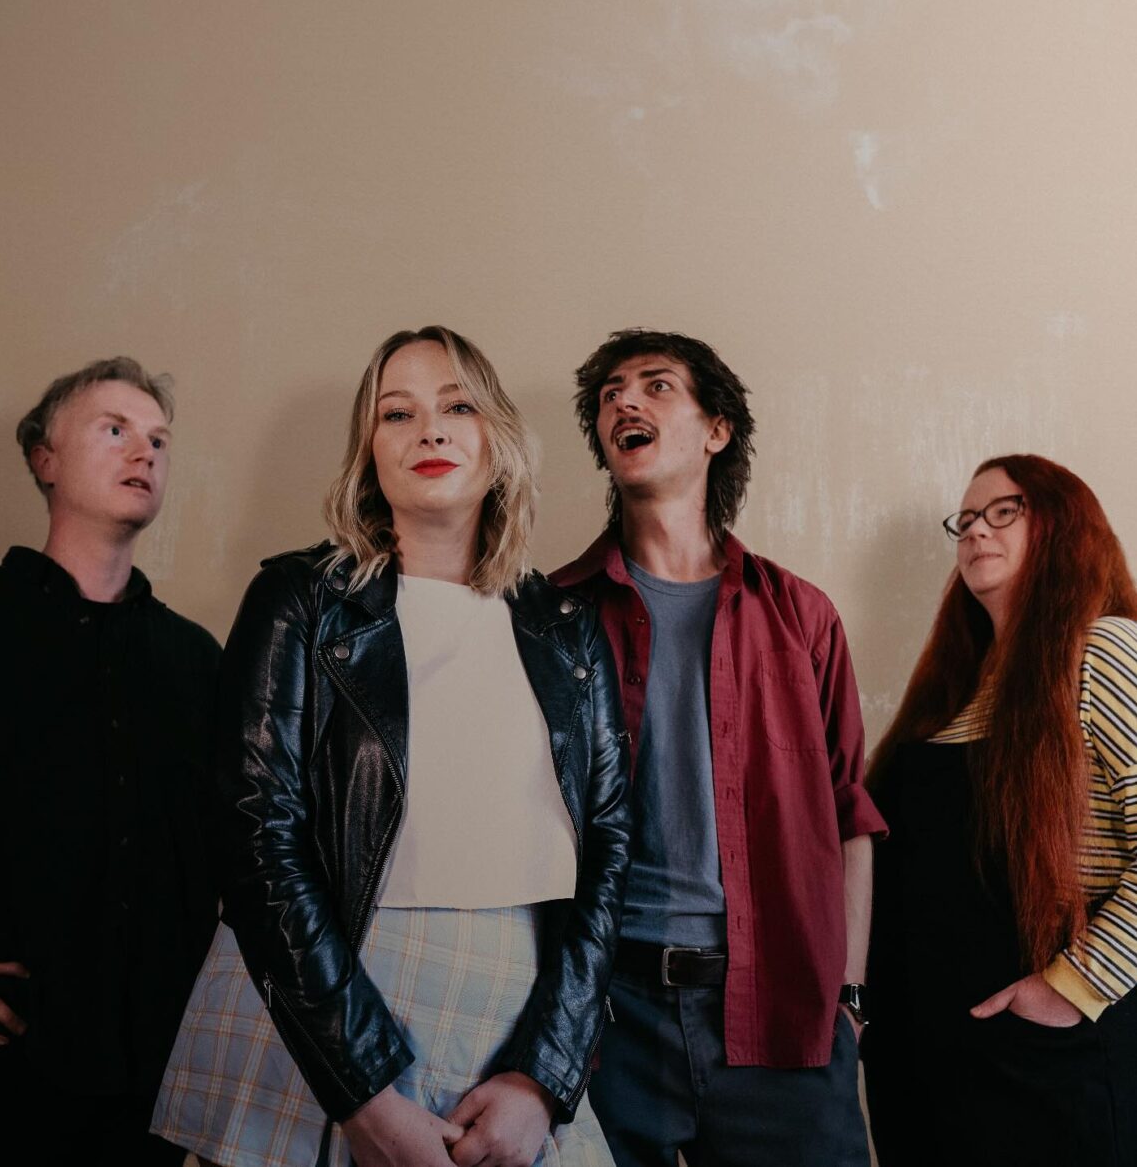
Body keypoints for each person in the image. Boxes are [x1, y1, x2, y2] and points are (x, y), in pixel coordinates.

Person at [151, 326, 630, 1167]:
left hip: (511, 1021)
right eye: (397, 413)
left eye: (458, 407)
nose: (430, 430)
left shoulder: (569, 632)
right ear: (368, 455)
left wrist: (543, 1081)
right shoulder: (300, 599)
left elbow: (610, 851)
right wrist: (363, 1094)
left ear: (499, 441)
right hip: (318, 1012)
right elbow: (256, 839)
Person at [551, 329, 886, 1166]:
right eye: (610, 394)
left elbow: (850, 816)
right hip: (606, 1015)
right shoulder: (554, 616)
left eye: (656, 385)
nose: (624, 402)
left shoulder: (801, 616)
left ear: (716, 429)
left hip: (781, 1011)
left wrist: (847, 996)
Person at [0, 357, 221, 1166]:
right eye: (115, 430)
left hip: (151, 1093)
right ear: (44, 458)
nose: (144, 452)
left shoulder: (197, 661)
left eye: (159, 440)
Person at [863, 454, 1137, 1167]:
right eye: (966, 520)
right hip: (927, 1063)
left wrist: (1069, 990)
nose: (977, 530)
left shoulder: (1103, 650)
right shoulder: (952, 690)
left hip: (1043, 1060)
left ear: (1065, 527)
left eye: (1004, 511)